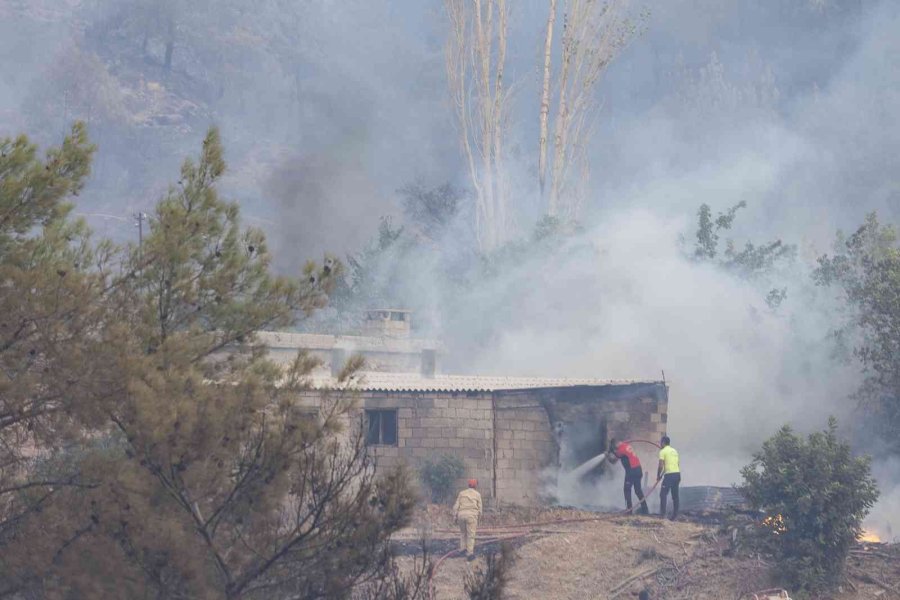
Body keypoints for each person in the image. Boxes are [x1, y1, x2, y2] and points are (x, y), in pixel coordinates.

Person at [607, 438, 649, 515]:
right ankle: (645, 509)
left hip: (631, 471)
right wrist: (611, 451)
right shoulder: (626, 445)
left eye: (613, 447)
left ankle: (629, 511)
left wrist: (608, 454)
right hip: (638, 469)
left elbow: (614, 461)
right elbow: (616, 456)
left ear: (615, 445)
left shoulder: (621, 450)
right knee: (638, 490)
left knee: (627, 489)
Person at [453, 478, 482, 561]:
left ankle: (462, 549)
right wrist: (478, 520)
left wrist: (455, 517)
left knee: (463, 533)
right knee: (471, 535)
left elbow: (456, 506)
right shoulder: (477, 494)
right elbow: (480, 510)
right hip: (472, 516)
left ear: (468, 485)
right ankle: (469, 553)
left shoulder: (462, 493)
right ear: (475, 486)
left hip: (461, 515)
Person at [657, 435, 681, 521]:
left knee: (663, 494)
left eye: (660, 442)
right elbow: (676, 464)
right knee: (675, 496)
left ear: (663, 442)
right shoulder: (674, 451)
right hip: (677, 474)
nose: (660, 443)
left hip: (669, 475)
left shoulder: (662, 451)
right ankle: (675, 515)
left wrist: (658, 476)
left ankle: (662, 515)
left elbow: (660, 466)